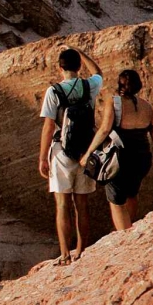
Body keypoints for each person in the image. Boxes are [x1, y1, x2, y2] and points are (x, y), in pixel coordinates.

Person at [38, 47, 102, 263]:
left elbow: (48, 127)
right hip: (86, 151)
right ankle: (81, 251)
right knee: (82, 205)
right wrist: (83, 52)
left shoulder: (54, 91)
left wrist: (42, 158)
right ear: (79, 66)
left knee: (62, 205)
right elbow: (99, 72)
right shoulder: (89, 85)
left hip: (61, 153)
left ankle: (65, 254)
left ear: (60, 68)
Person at [82, 69, 153, 231]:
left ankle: (124, 236)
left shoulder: (114, 102)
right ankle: (130, 228)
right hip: (142, 158)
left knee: (116, 201)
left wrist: (88, 154)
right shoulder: (147, 107)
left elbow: (105, 130)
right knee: (132, 194)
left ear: (120, 84)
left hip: (120, 158)